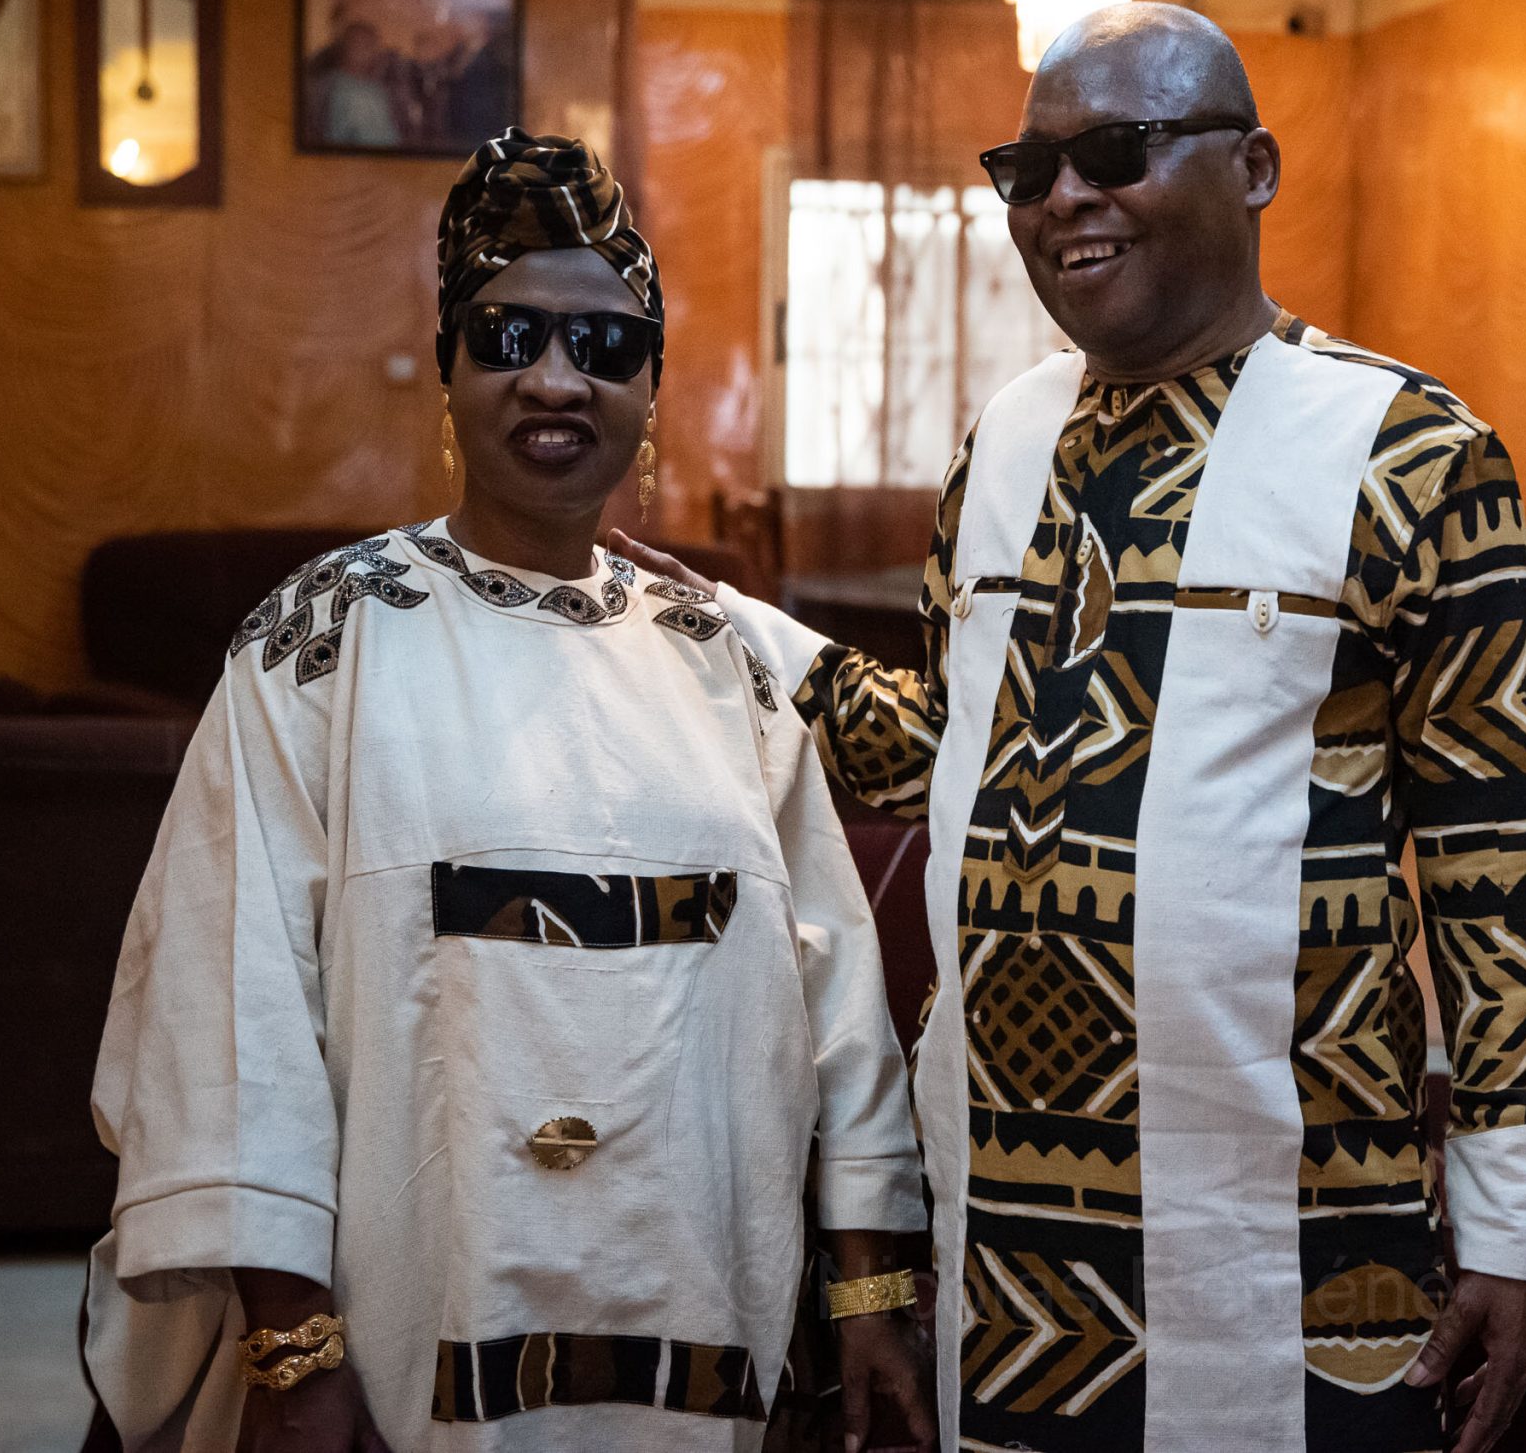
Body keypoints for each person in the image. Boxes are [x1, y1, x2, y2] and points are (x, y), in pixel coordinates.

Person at [614, 5, 1526, 1453]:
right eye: (1030, 167)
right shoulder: (1002, 441)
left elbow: (1500, 869)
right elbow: (936, 745)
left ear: (1255, 167)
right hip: (1012, 1253)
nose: (1066, 195)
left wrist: (1520, 1232)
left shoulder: (1409, 455)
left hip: (1293, 1240)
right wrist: (731, 632)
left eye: (1118, 152)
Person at [80, 130, 934, 1453]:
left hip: (703, 1322)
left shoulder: (724, 656)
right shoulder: (322, 643)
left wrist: (873, 1293)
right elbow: (228, 1000)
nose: (556, 379)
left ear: (652, 385)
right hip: (404, 1333)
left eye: (603, 347)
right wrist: (293, 1347)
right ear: (450, 369)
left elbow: (837, 1005)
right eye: (509, 335)